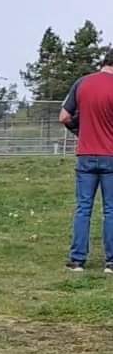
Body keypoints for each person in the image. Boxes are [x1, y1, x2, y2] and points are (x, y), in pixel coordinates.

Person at [59, 46, 113, 273]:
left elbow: (64, 116)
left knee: (83, 208)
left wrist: (80, 131)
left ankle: (78, 260)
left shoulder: (82, 83)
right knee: (111, 209)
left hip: (86, 155)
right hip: (111, 155)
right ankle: (111, 262)